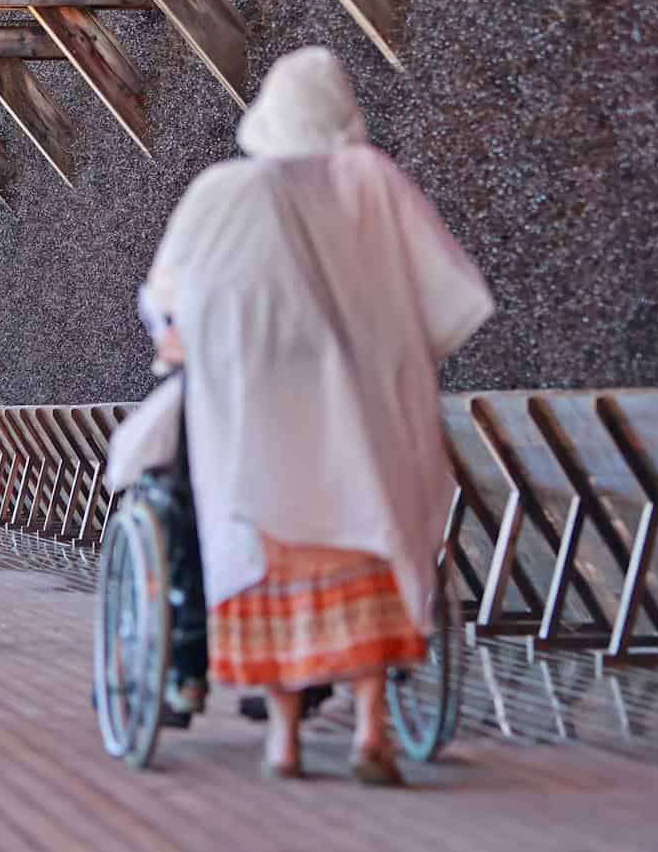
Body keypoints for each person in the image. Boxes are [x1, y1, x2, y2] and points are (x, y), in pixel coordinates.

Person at [126, 47, 493, 785]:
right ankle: (369, 728)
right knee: (369, 549)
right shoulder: (373, 182)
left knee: (269, 559)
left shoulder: (226, 190)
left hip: (254, 422)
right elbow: (450, 301)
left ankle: (284, 744)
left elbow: (170, 304)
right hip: (365, 419)